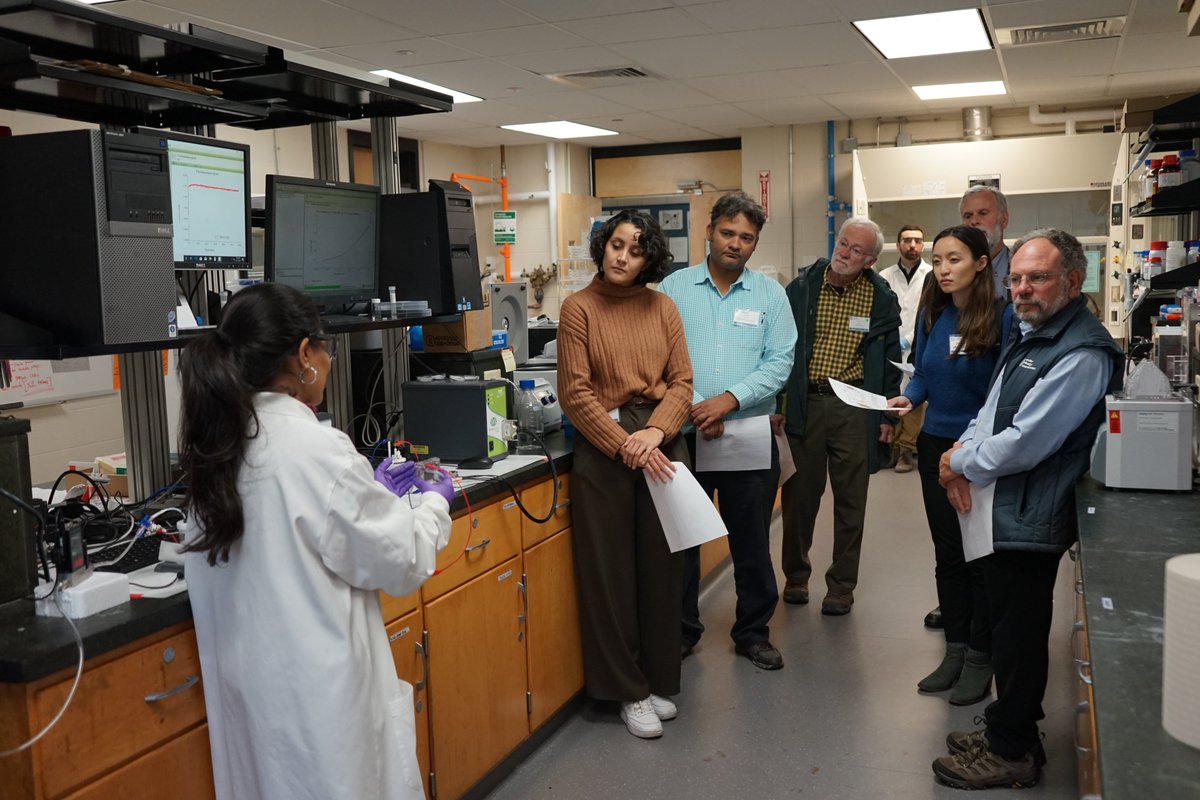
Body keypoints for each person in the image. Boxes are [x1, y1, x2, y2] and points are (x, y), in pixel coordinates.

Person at [178, 282, 454, 800]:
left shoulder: (215, 450)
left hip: (257, 711)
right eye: (327, 349)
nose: (328, 361)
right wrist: (435, 505)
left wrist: (366, 491)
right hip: (322, 716)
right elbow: (402, 559)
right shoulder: (316, 448)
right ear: (305, 355)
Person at [931, 229, 1122, 790]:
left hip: (1029, 516)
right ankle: (1009, 728)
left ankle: (1011, 750)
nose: (1021, 289)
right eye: (1015, 278)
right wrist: (959, 452)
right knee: (1008, 627)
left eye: (1037, 278)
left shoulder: (1081, 352)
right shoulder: (1032, 332)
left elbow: (1026, 442)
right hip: (1003, 506)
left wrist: (957, 462)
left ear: (1072, 281)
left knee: (1017, 636)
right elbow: (991, 411)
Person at [556, 209, 693, 739]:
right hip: (605, 447)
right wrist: (627, 445)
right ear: (603, 247)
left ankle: (655, 680)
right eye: (617, 245)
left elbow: (682, 383)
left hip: (659, 441)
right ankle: (627, 691)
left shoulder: (663, 307)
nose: (623, 257)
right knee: (609, 575)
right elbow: (575, 393)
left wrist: (655, 433)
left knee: (662, 570)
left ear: (648, 260)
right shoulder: (578, 308)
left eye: (636, 250)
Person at [658, 192, 796, 671]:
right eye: (727, 233)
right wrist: (699, 408)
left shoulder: (770, 295)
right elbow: (659, 357)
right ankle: (681, 632)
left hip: (747, 436)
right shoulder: (673, 289)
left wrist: (728, 401)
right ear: (709, 232)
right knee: (683, 543)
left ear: (755, 243)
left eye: (746, 237)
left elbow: (780, 362)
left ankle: (753, 633)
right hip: (684, 438)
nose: (735, 243)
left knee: (751, 543)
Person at [886, 226, 1009, 706]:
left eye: (954, 259)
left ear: (981, 263)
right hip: (934, 445)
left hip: (977, 451)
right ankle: (954, 651)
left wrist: (967, 451)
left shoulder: (1002, 316)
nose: (942, 269)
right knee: (949, 554)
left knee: (980, 558)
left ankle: (981, 658)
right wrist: (909, 398)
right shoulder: (933, 312)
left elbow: (1002, 394)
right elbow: (922, 373)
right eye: (937, 261)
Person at [779, 216, 901, 616]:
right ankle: (796, 576)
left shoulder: (880, 298)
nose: (845, 253)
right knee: (800, 498)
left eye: (856, 250)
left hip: (855, 407)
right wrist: (780, 405)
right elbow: (779, 348)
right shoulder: (802, 287)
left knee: (851, 501)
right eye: (843, 243)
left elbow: (890, 363)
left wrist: (887, 415)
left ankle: (841, 586)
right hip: (806, 404)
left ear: (870, 260)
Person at [877, 224, 932, 474]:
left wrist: (909, 339)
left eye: (917, 241)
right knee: (892, 393)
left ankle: (907, 449)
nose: (912, 245)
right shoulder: (885, 276)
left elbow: (927, 312)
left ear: (923, 245)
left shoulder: (931, 275)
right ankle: (892, 447)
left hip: (918, 342)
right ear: (899, 244)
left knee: (914, 394)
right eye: (907, 240)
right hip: (890, 344)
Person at [960, 185, 1011, 297]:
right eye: (968, 216)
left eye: (983, 213)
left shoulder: (1025, 269)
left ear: (1004, 220)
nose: (974, 221)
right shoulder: (945, 275)